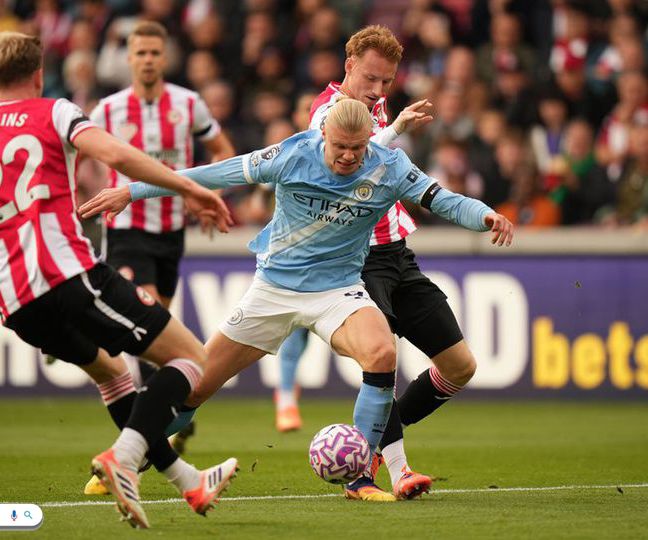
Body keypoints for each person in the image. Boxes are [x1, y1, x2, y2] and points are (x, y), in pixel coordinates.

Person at [79, 98, 514, 503]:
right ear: (323, 135)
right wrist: (133, 191)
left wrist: (485, 216)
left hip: (337, 289)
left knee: (382, 352)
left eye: (357, 148)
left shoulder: (390, 165)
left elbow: (443, 200)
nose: (348, 156)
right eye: (340, 147)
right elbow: (216, 174)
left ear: (371, 141)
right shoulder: (292, 154)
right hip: (273, 291)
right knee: (196, 384)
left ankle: (361, 476)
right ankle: (125, 457)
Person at [0, 31, 236, 530]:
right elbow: (115, 156)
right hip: (68, 273)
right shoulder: (54, 111)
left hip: (16, 303)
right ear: (39, 73)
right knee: (194, 358)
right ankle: (122, 458)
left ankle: (187, 481)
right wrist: (187, 186)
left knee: (113, 375)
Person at [280, 25, 464, 502]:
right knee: (383, 360)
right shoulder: (326, 111)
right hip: (357, 256)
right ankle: (398, 471)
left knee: (460, 366)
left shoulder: (377, 107)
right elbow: (350, 159)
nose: (378, 90)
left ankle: (375, 439)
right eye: (371, 78)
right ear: (348, 67)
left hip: (397, 251)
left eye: (385, 81)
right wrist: (398, 128)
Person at [85, 20, 235, 471]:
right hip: (126, 229)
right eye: (140, 53)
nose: (148, 60)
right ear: (128, 59)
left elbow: (224, 152)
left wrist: (208, 197)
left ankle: (162, 426)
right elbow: (74, 156)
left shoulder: (188, 104)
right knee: (138, 308)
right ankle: (142, 439)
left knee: (154, 340)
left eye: (155, 52)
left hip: (171, 233)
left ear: (164, 58)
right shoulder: (107, 110)